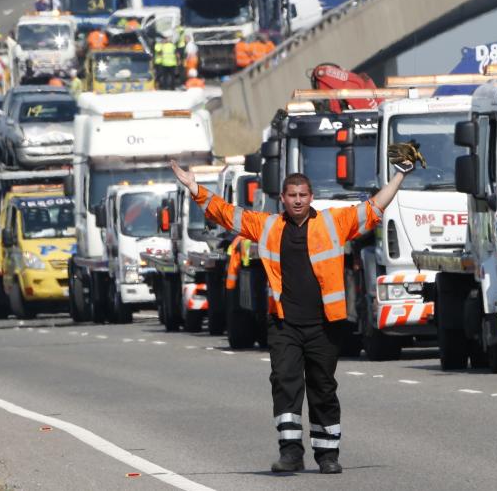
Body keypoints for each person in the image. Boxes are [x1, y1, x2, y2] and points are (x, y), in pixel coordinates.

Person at [169, 160, 410, 474]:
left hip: (324, 324)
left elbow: (374, 206)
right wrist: (195, 188)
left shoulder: (333, 223)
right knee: (285, 383)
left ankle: (327, 455)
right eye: (292, 195)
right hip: (284, 324)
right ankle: (290, 453)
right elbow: (227, 213)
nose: (298, 200)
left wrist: (400, 175)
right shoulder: (267, 225)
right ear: (282, 198)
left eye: (303, 194)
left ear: (311, 197)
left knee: (323, 387)